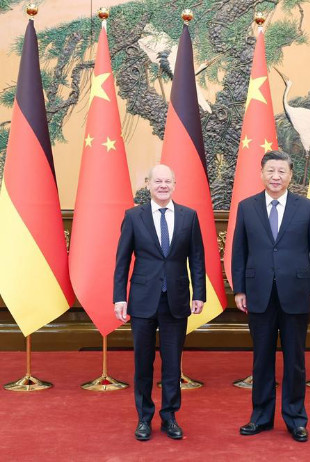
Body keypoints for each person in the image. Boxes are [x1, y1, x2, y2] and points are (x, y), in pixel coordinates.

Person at [232, 150, 310, 443]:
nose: (276, 176)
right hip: (258, 293)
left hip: (297, 294)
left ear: (290, 175)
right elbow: (239, 252)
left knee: (295, 360)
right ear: (261, 174)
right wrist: (239, 289)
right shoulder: (247, 207)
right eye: (271, 171)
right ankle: (260, 417)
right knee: (261, 359)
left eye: (281, 171)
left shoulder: (307, 208)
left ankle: (296, 419)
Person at [113, 164, 206, 442]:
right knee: (143, 362)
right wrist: (119, 297)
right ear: (149, 184)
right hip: (141, 301)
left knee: (171, 364)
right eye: (158, 181)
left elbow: (197, 259)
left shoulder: (189, 217)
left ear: (175, 184)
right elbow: (121, 261)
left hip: (176, 301)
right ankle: (144, 418)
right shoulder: (133, 216)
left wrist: (198, 293)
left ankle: (169, 416)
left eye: (168, 181)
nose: (163, 185)